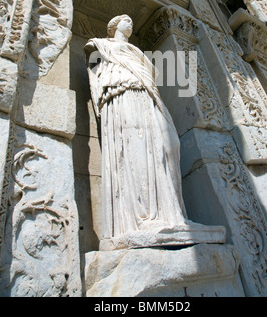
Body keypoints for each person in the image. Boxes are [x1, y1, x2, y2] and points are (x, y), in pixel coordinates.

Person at [84, 14, 225, 250]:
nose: (130, 23)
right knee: (134, 151)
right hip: (122, 99)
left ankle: (172, 214)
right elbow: (96, 79)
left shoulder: (138, 53)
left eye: (132, 20)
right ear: (114, 25)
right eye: (125, 20)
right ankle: (140, 219)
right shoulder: (99, 45)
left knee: (168, 146)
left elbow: (150, 76)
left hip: (147, 99)